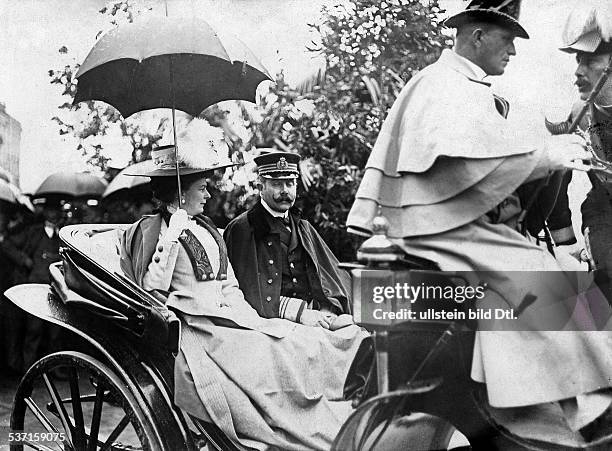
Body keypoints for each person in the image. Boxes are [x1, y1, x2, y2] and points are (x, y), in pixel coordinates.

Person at [347, 0, 612, 443]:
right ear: (477, 36)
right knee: (541, 273)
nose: (513, 52)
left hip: (444, 220)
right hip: (434, 227)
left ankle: (557, 400)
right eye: (508, 41)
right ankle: (571, 408)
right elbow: (458, 169)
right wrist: (543, 156)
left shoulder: (462, 84)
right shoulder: (443, 86)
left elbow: (484, 164)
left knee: (546, 267)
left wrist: (540, 163)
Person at [120, 127, 366, 450]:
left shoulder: (206, 228)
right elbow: (152, 293)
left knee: (289, 338)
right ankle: (293, 425)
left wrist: (256, 322)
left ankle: (335, 410)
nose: (208, 196)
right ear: (181, 192)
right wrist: (169, 238)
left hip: (231, 320)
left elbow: (230, 286)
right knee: (273, 352)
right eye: (202, 188)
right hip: (200, 330)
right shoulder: (157, 232)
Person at [223, 150, 352, 329]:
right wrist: (300, 314)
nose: (285, 191)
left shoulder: (303, 227)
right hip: (272, 324)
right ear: (261, 186)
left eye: (290, 183)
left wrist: (326, 309)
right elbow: (245, 291)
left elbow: (331, 276)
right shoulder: (243, 228)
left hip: (314, 316)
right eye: (276, 184)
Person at [545, 2, 612, 297]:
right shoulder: (579, 113)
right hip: (604, 214)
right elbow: (558, 177)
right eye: (577, 60)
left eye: (590, 60)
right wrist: (566, 241)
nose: (578, 71)